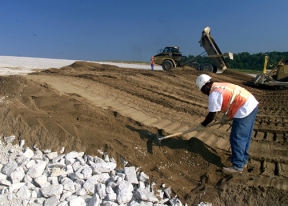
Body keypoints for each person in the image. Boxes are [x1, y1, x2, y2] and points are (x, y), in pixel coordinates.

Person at [195, 74, 259, 173]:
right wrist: (227, 116)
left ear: (205, 86)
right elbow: (231, 99)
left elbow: (211, 115)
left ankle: (238, 166)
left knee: (237, 138)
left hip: (244, 108)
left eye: (202, 90)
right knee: (245, 137)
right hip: (251, 103)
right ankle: (243, 160)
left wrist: (202, 125)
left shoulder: (214, 94)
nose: (204, 93)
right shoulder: (219, 85)